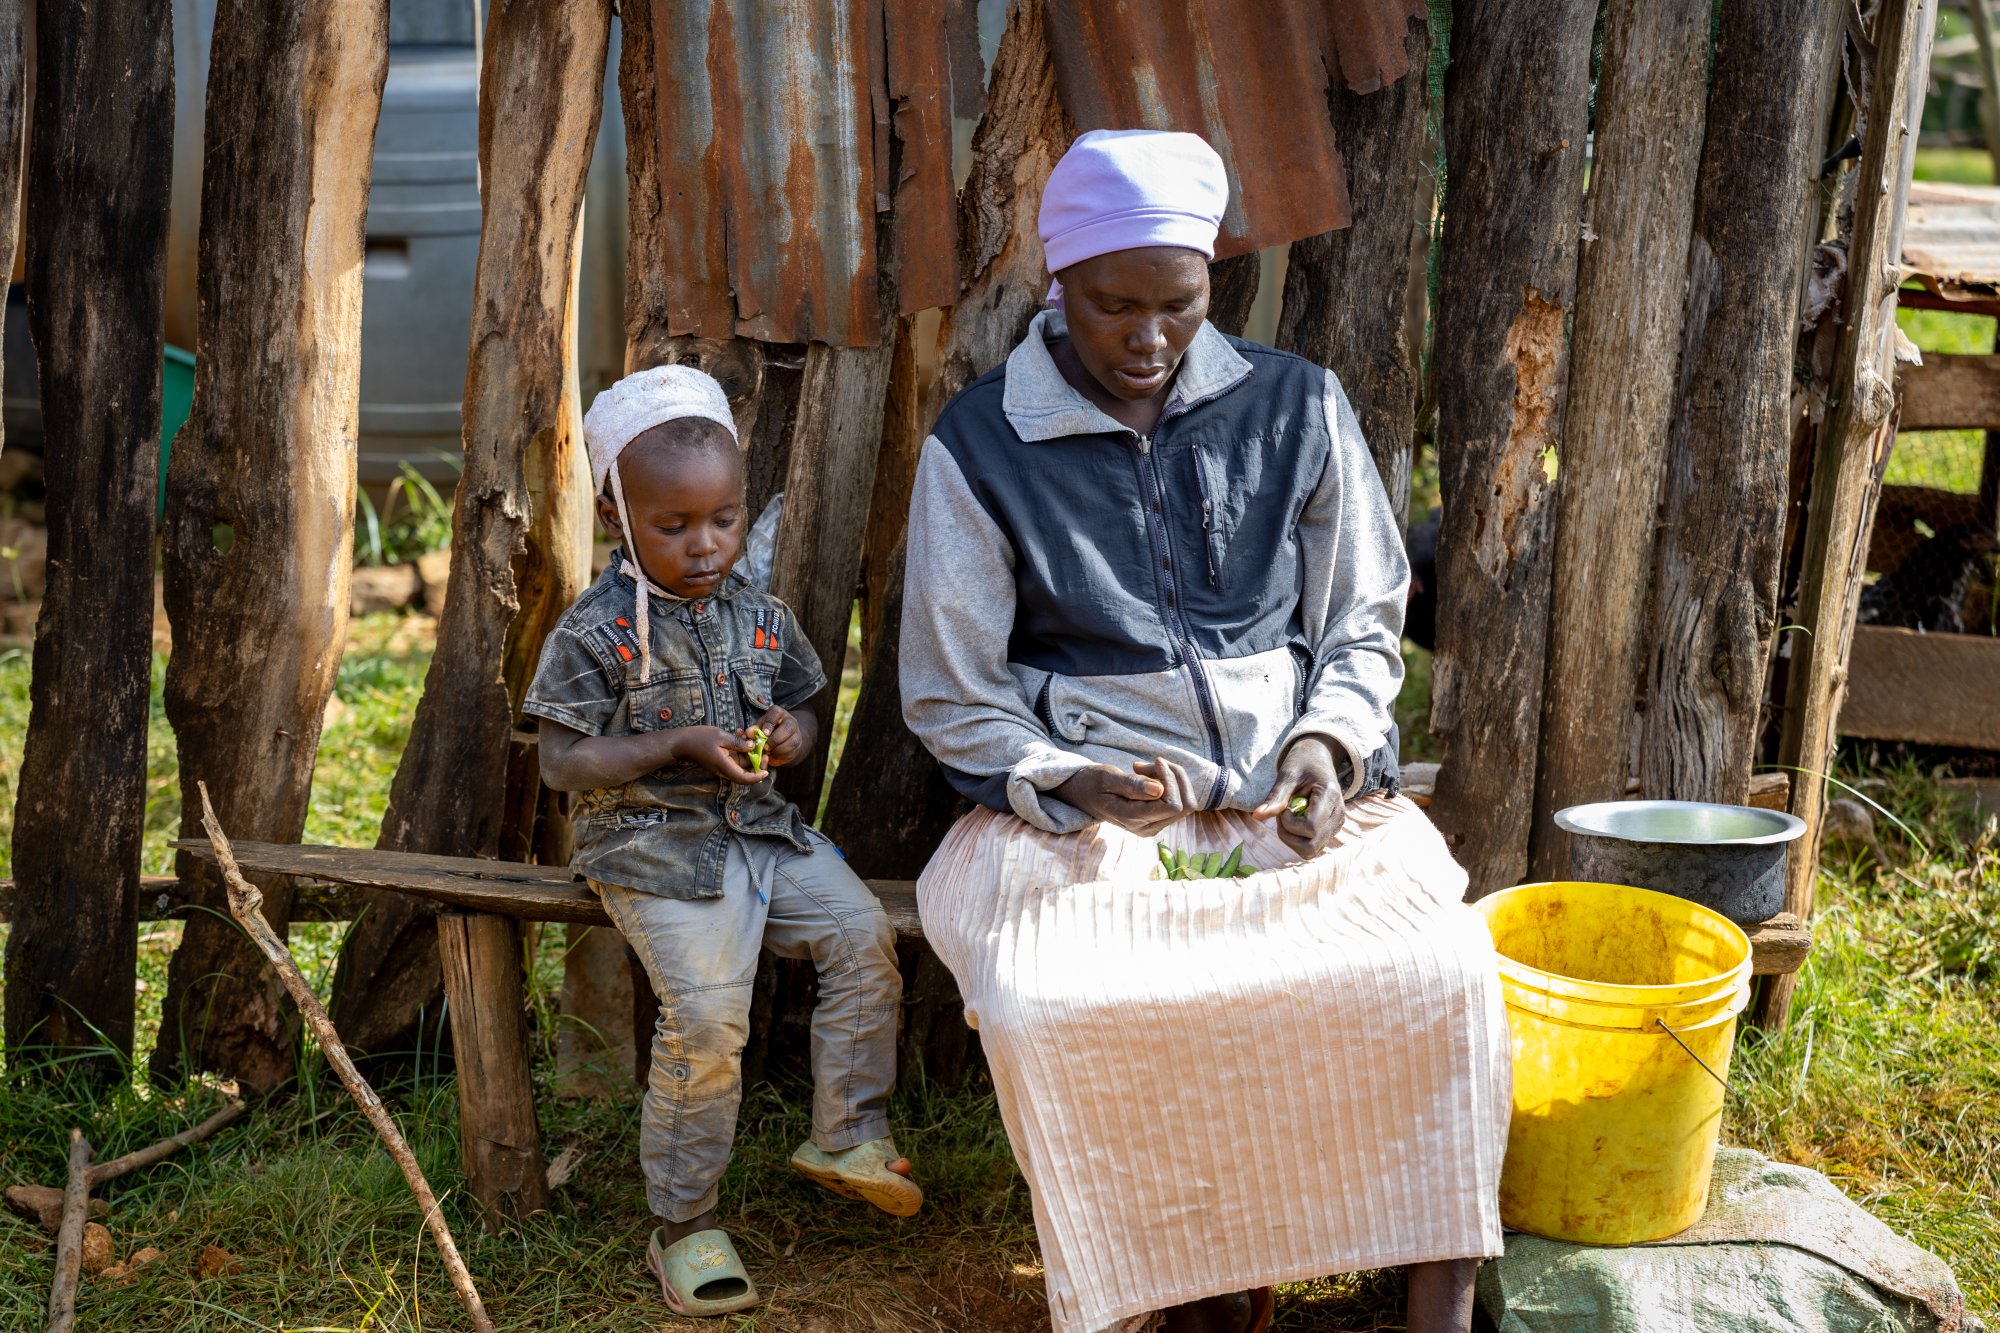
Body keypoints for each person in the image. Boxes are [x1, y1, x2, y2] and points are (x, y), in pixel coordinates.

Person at [901, 129, 1510, 1333]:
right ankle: (1180, 1289)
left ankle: (1432, 1298)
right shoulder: (979, 445)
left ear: (1209, 285)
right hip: (1090, 835)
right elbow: (949, 691)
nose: (1145, 338)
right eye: (1112, 307)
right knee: (1048, 1005)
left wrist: (1324, 748)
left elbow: (1361, 623)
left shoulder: (1295, 406)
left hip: (1290, 806)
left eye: (1174, 306)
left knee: (1444, 973)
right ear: (1055, 282)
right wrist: (1067, 777)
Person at [524, 365, 921, 1319]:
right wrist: (675, 743)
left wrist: (794, 734)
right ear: (620, 517)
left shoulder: (758, 612)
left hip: (763, 834)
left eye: (726, 519)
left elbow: (801, 706)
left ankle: (844, 1132)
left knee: (863, 940)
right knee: (706, 1025)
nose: (707, 546)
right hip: (653, 850)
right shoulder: (596, 631)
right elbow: (562, 764)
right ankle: (684, 1222)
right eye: (676, 526)